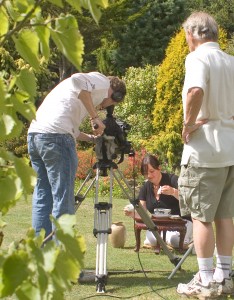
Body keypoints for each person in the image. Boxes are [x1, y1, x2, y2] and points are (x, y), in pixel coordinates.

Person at [27, 71, 126, 240]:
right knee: (63, 200)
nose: (105, 107)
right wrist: (95, 117)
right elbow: (77, 79)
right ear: (114, 94)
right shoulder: (102, 82)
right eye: (112, 103)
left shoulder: (74, 96)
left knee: (43, 197)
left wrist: (91, 139)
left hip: (36, 136)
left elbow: (71, 129)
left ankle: (41, 256)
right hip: (57, 138)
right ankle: (61, 260)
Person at [176, 12, 234, 299]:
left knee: (201, 217)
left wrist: (188, 124)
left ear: (193, 34)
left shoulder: (197, 57)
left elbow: (196, 89)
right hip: (230, 148)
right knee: (225, 216)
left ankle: (206, 280)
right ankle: (225, 276)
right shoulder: (230, 61)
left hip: (205, 149)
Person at [124, 154, 193, 250]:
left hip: (182, 223)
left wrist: (173, 192)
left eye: (152, 171)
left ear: (159, 168)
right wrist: (132, 214)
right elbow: (142, 213)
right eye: (145, 173)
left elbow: (189, 200)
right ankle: (167, 241)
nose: (149, 176)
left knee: (174, 241)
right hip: (159, 225)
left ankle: (187, 241)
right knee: (150, 240)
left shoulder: (172, 180)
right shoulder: (146, 187)